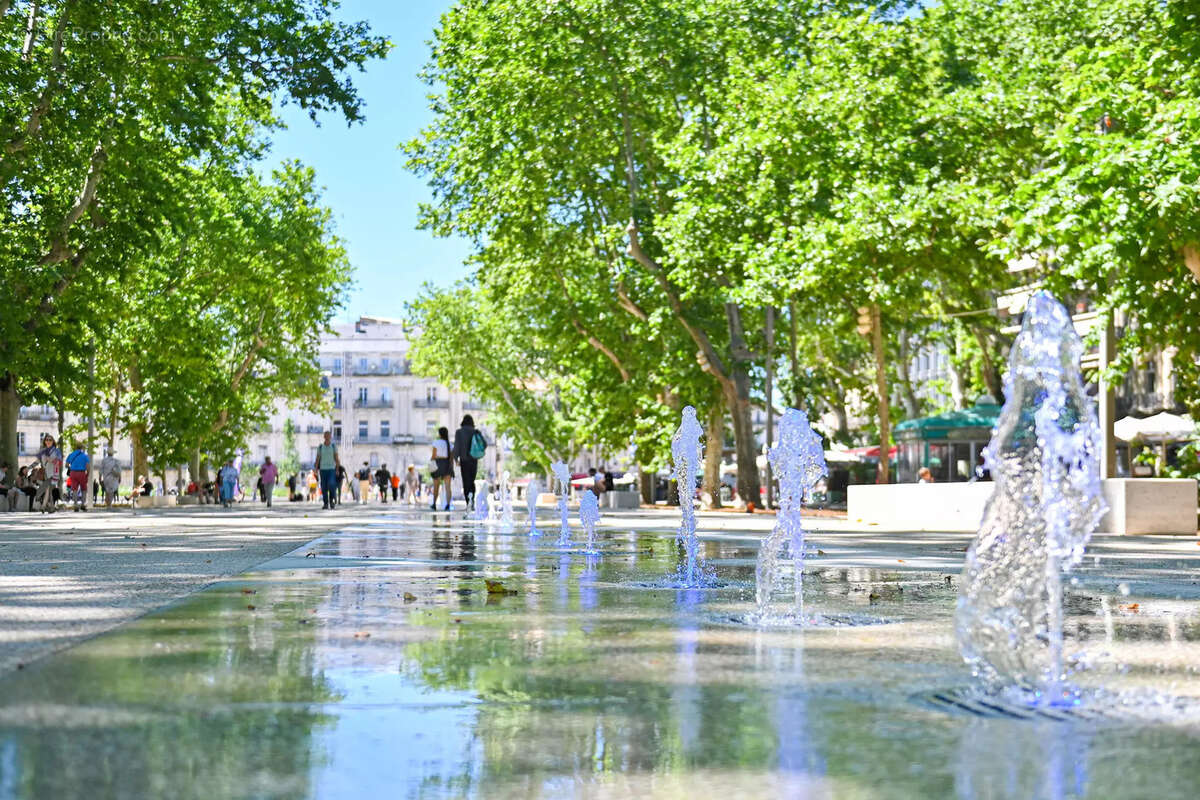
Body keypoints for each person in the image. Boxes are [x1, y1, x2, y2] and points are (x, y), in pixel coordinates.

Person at [452, 414, 484, 511]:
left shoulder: (459, 432)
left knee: (466, 481)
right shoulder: (475, 432)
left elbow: (457, 446)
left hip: (464, 460)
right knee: (472, 481)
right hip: (474, 459)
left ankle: (468, 503)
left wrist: (456, 459)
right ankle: (472, 500)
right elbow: (484, 444)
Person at [35, 433, 62, 513]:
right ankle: (52, 507)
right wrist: (29, 468)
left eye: (50, 439)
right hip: (46, 473)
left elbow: (60, 462)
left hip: (54, 473)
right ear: (45, 441)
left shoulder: (56, 451)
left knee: (47, 489)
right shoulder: (42, 451)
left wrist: (51, 460)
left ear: (53, 441)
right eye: (47, 439)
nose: (48, 441)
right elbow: (38, 462)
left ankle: (43, 506)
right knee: (49, 490)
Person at [315, 431, 341, 510]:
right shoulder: (320, 447)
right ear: (324, 436)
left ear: (330, 437)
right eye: (326, 435)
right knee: (324, 487)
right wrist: (316, 469)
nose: (327, 437)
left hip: (331, 469)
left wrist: (337, 469)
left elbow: (336, 458)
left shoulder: (333, 446)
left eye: (328, 435)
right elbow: (318, 459)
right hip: (323, 469)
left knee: (331, 484)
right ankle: (326, 503)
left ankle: (332, 501)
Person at [430, 427, 453, 510]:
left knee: (436, 486)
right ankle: (448, 505)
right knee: (448, 487)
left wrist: (431, 463)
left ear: (439, 434)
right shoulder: (450, 444)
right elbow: (451, 458)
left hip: (438, 464)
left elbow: (433, 456)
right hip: (447, 465)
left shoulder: (436, 443)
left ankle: (434, 504)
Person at [64, 442, 90, 511]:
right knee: (84, 489)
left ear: (75, 447)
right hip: (82, 473)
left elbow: (66, 465)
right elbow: (88, 466)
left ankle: (75, 505)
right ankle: (83, 504)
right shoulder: (85, 456)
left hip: (73, 473)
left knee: (74, 489)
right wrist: (88, 474)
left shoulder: (71, 454)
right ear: (82, 448)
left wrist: (71, 468)